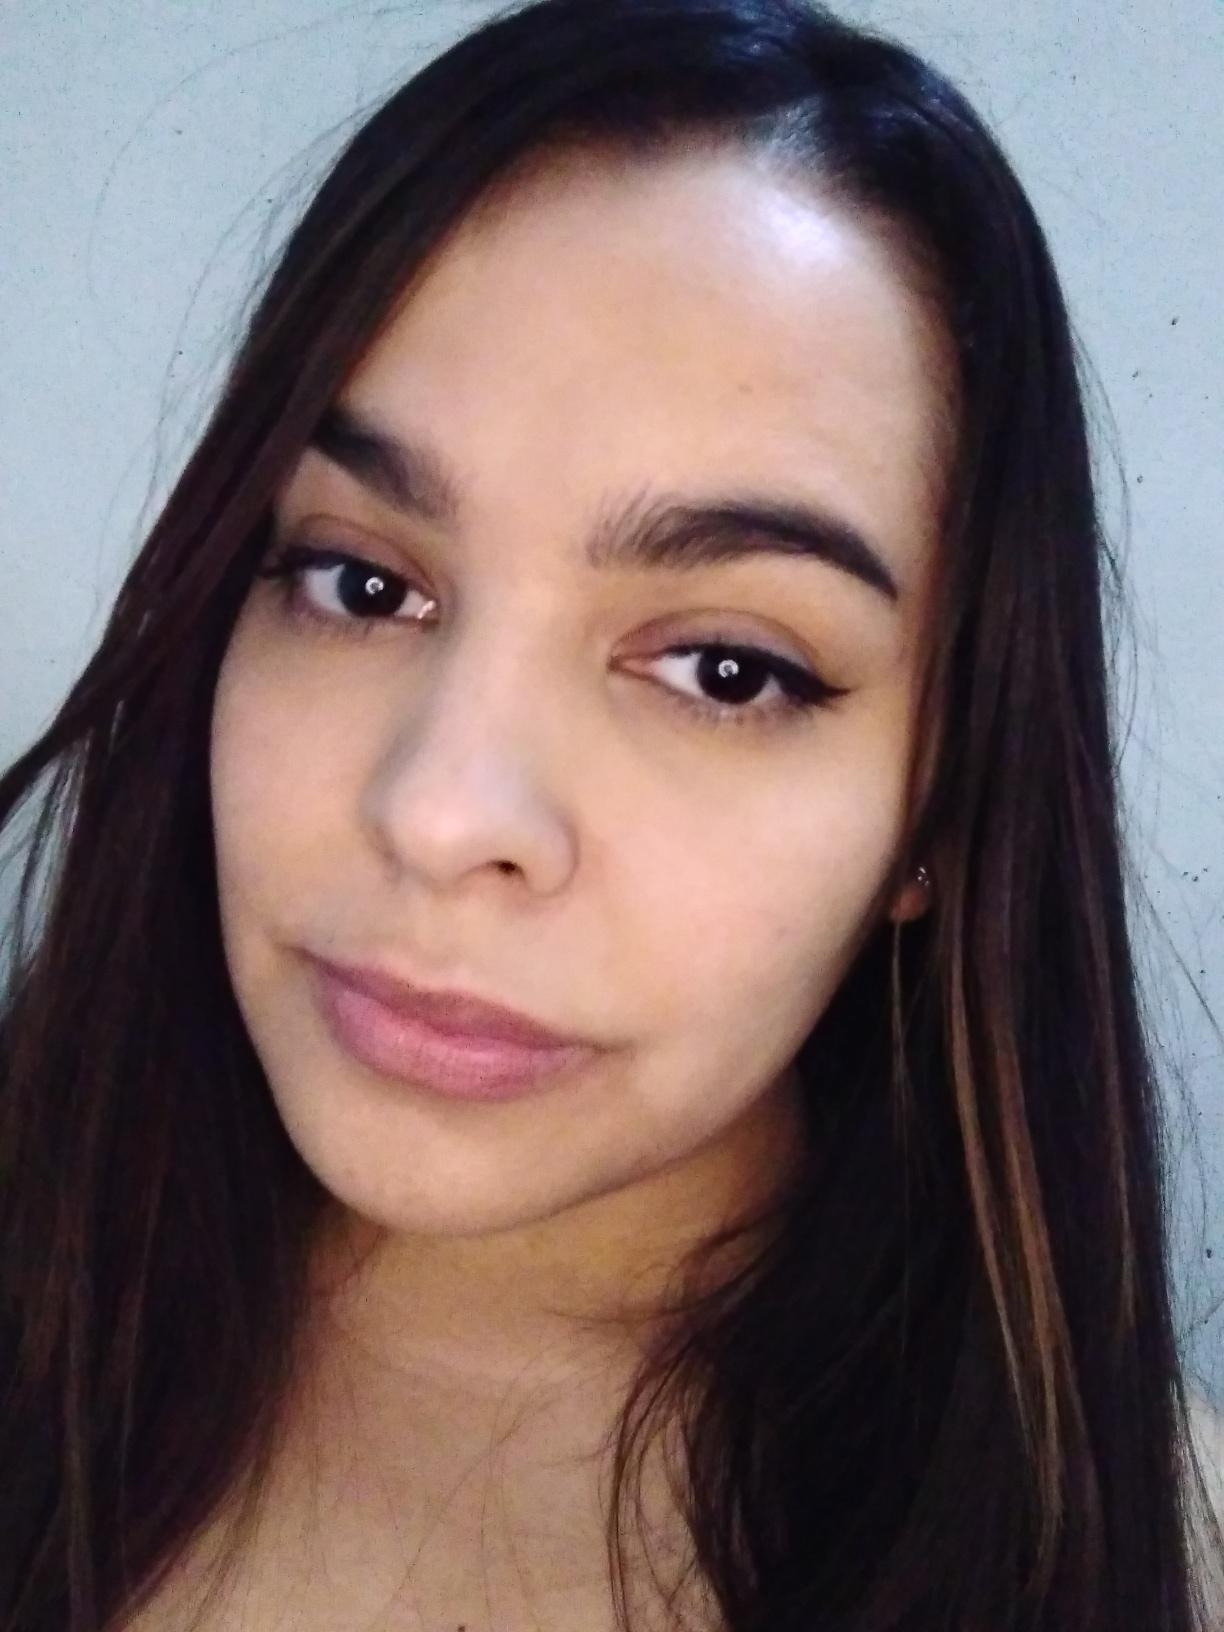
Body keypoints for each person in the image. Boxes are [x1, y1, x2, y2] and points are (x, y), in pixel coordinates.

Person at [1, 0, 1220, 1626]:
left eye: (725, 670)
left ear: (941, 806)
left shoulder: (1152, 1548)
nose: (441, 814)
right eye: (359, 582)